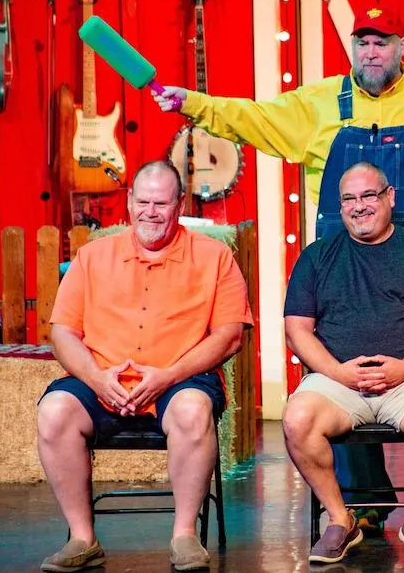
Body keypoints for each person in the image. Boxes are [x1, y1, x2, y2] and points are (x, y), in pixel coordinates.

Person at [152, 3, 404, 531]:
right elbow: (253, 117)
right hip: (342, 259)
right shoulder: (317, 103)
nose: (371, 51)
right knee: (344, 371)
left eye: (382, 42)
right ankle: (364, 500)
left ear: (403, 46)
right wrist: (192, 104)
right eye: (363, 42)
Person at [36, 161, 253, 572]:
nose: (151, 212)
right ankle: (83, 538)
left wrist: (168, 376)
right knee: (53, 411)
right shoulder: (92, 256)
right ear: (130, 201)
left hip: (180, 377)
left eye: (162, 203)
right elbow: (62, 333)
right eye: (143, 201)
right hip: (104, 378)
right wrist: (98, 380)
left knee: (192, 409)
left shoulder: (214, 256)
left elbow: (229, 336)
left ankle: (185, 535)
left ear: (180, 204)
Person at [281, 162, 404, 564]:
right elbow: (297, 330)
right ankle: (339, 519)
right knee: (297, 419)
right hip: (338, 382)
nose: (359, 206)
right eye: (349, 198)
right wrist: (338, 372)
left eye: (369, 196)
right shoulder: (317, 258)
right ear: (340, 205)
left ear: (390, 197)